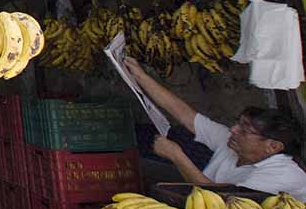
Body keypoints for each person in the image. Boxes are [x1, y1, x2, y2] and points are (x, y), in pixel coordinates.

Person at [124, 57, 306, 198]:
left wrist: (176, 156)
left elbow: (221, 199)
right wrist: (140, 76)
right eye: (238, 123)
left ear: (273, 146)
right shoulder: (233, 145)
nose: (233, 129)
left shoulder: (283, 173)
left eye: (244, 130)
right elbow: (184, 114)